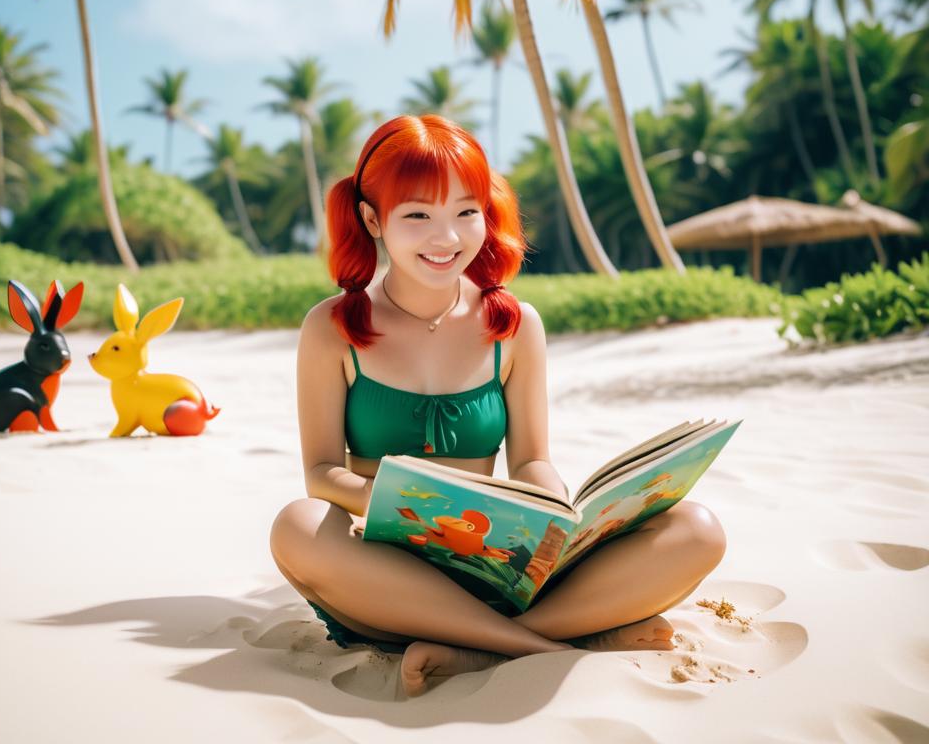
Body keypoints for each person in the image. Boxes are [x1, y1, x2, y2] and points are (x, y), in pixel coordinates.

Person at [269, 114, 727, 697]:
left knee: (697, 529)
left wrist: (555, 505)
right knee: (296, 527)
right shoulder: (331, 327)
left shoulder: (512, 324)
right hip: (392, 578)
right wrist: (398, 503)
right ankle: (545, 645)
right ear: (371, 218)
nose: (448, 237)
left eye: (466, 211)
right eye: (418, 215)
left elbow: (532, 458)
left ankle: (478, 647)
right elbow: (319, 473)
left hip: (498, 559)